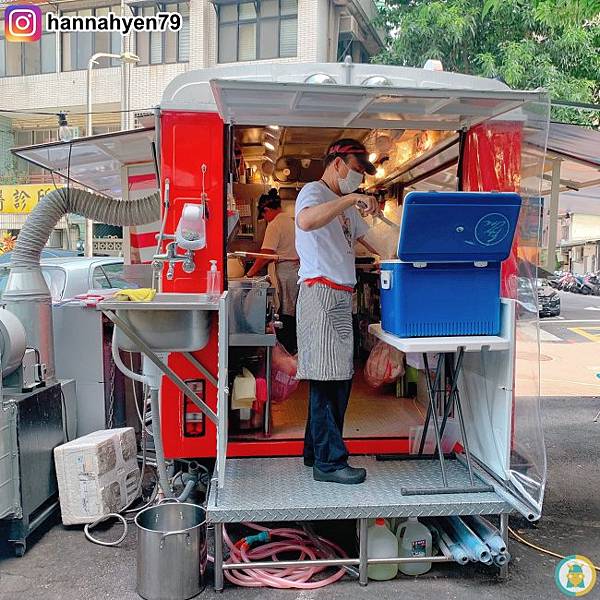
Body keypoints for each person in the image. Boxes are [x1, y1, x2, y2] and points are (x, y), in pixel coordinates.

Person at [295, 138, 380, 485]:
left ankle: (315, 452)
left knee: (331, 379)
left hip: (340, 296)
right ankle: (329, 463)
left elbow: (372, 241)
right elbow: (305, 222)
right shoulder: (313, 192)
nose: (359, 178)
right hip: (320, 293)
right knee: (329, 382)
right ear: (337, 162)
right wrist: (350, 198)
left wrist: (402, 251)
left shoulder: (343, 207)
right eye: (357, 169)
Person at [246, 189, 300, 354]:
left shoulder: (275, 224)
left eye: (264, 216)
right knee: (291, 311)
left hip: (284, 272)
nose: (265, 219)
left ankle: (285, 351)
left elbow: (266, 254)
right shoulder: (291, 221)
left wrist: (249, 274)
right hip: (294, 271)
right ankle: (291, 350)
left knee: (283, 313)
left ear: (267, 210)